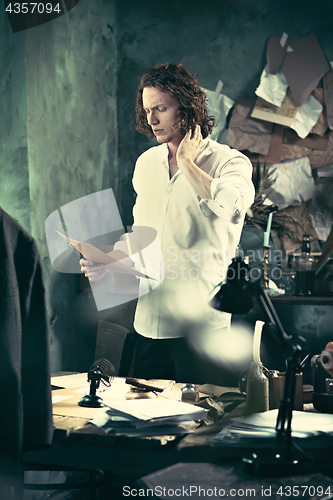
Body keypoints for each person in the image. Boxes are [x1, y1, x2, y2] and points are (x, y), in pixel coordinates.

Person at [81, 62, 255, 382]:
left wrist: (187, 162)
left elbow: (234, 208)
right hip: (148, 323)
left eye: (161, 108)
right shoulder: (146, 163)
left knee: (203, 423)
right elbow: (141, 237)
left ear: (187, 109)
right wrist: (108, 263)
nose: (152, 119)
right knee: (148, 421)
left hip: (200, 327)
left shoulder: (228, 161)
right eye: (148, 110)